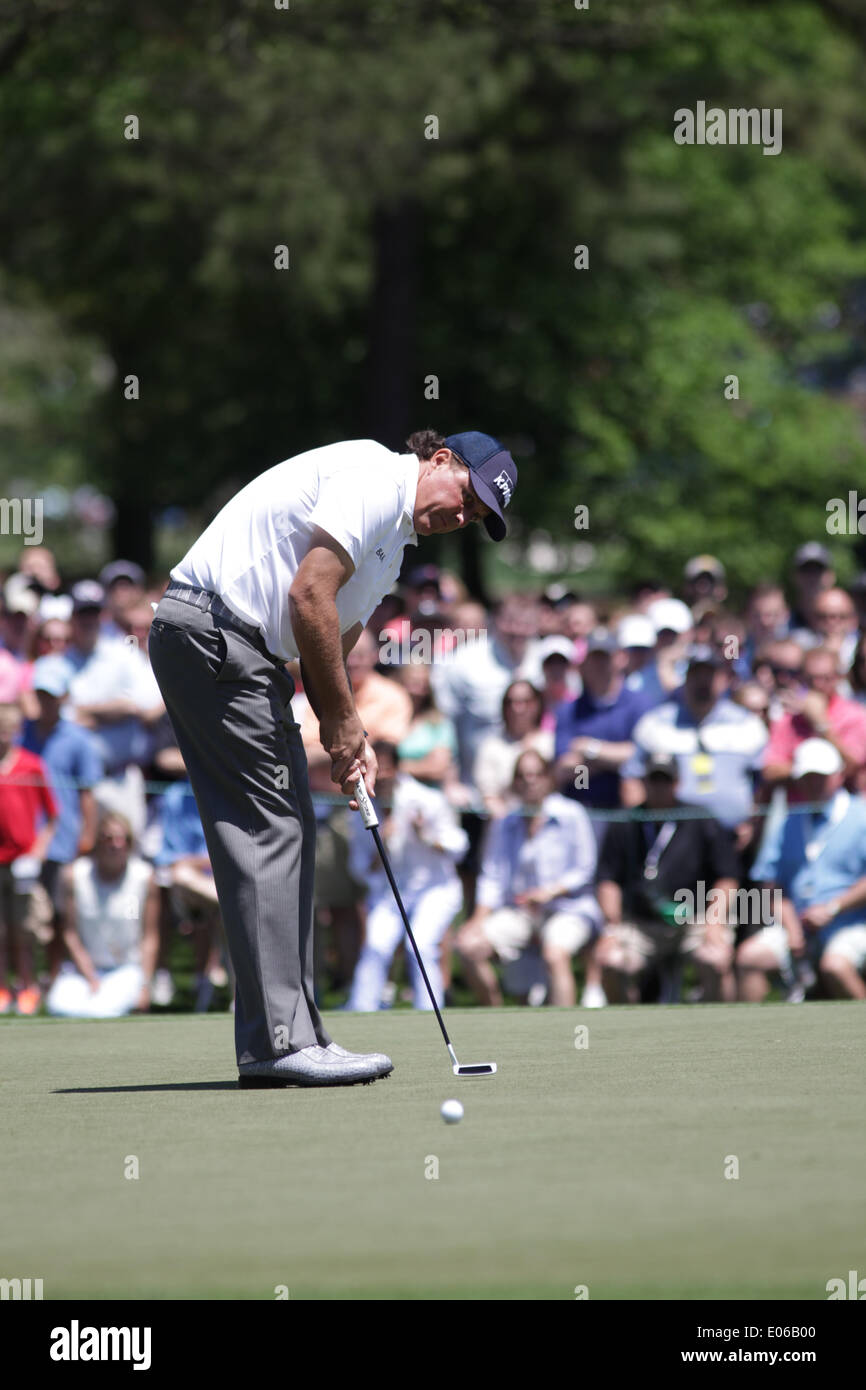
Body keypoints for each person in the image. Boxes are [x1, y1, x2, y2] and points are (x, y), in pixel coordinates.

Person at [148, 428, 517, 1086]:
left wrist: (352, 741)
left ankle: (293, 1033)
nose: (461, 516)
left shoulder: (393, 547)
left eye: (475, 516)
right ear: (439, 459)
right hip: (216, 638)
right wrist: (343, 725)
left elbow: (331, 648)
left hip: (240, 654)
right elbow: (308, 596)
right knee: (270, 833)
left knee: (289, 827)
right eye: (466, 496)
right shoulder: (376, 477)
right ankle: (278, 1043)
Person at [456, 750, 603, 1008]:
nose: (530, 781)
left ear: (548, 778)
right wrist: (477, 920)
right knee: (467, 945)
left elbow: (585, 869)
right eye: (523, 776)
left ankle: (568, 1027)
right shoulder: (505, 821)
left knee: (555, 954)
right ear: (515, 782)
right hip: (521, 912)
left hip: (568, 908)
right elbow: (492, 877)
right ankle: (495, 1016)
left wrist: (550, 892)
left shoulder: (572, 813)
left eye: (536, 774)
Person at [596, 753, 740, 1004]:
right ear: (643, 782)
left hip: (695, 919)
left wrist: (714, 921)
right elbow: (608, 879)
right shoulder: (625, 822)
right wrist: (611, 927)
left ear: (677, 782)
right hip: (641, 923)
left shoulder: (700, 818)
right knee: (611, 961)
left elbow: (727, 877)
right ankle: (625, 1021)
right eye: (654, 780)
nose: (659, 787)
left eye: (665, 780)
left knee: (715, 959)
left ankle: (720, 1022)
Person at [740, 740, 866, 1002]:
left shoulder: (861, 815)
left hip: (852, 923)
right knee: (750, 958)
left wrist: (833, 908)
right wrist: (792, 927)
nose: (814, 784)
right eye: (808, 778)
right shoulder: (788, 821)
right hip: (796, 925)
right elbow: (771, 885)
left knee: (836, 966)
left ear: (838, 776)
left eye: (821, 777)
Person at [345, 741, 467, 1012]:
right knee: (376, 945)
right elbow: (360, 870)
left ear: (398, 769)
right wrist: (382, 845)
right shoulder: (358, 808)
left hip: (435, 890)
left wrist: (427, 836)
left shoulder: (427, 800)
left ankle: (430, 1012)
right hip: (389, 893)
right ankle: (361, 1011)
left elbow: (458, 847)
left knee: (420, 946)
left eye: (387, 768)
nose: (382, 776)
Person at [20, 656, 103, 973]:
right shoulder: (21, 733)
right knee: (20, 912)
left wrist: (87, 836)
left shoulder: (79, 739)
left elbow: (87, 793)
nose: (46, 702)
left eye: (52, 696)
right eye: (41, 695)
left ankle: (53, 975)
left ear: (65, 697)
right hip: (22, 838)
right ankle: (25, 977)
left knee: (58, 911)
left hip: (61, 839)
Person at [46, 811, 159, 1017]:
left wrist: (145, 986)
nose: (114, 845)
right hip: (83, 972)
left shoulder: (144, 877)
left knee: (104, 1009)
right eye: (108, 838)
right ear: (98, 842)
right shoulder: (74, 875)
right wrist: (89, 975)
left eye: (121, 839)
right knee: (59, 1005)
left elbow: (149, 937)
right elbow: (70, 933)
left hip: (126, 969)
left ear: (129, 843)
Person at [0, 701, 58, 1014]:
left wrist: (38, 852)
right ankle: (2, 988)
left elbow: (52, 816)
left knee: (24, 929)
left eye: (7, 730)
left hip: (23, 861)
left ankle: (27, 985)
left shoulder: (31, 765)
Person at [474, 680, 554, 818]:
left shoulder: (551, 742)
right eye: (511, 702)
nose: (518, 708)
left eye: (525, 701)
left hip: (546, 820)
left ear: (537, 704)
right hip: (504, 819)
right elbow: (489, 796)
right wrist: (511, 823)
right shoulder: (491, 746)